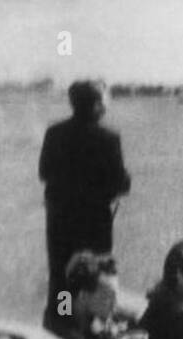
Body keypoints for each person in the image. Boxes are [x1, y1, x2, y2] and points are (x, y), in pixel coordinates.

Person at [39, 81, 131, 323]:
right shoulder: (109, 138)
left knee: (60, 273)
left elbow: (44, 172)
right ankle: (91, 322)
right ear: (97, 105)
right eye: (105, 99)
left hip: (59, 219)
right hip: (95, 222)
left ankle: (63, 318)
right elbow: (119, 182)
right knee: (95, 274)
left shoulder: (54, 133)